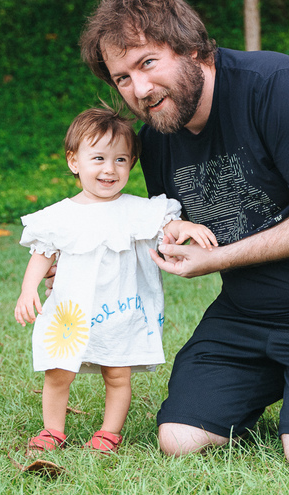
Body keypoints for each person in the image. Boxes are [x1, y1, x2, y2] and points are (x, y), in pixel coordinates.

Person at [77, 0, 289, 469]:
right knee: (179, 438)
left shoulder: (278, 86)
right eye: (122, 78)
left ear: (192, 47)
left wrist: (215, 260)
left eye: (148, 63)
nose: (140, 90)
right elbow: (167, 225)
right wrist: (78, 257)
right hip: (251, 309)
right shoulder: (160, 138)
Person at [14, 106, 216, 454]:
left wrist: (187, 227)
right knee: (58, 371)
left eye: (121, 160)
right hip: (70, 313)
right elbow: (43, 253)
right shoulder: (59, 216)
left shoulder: (139, 210)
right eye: (98, 159)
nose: (110, 169)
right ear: (74, 161)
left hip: (119, 310)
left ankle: (109, 432)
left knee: (118, 374)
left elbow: (167, 227)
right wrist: (28, 288)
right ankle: (52, 430)